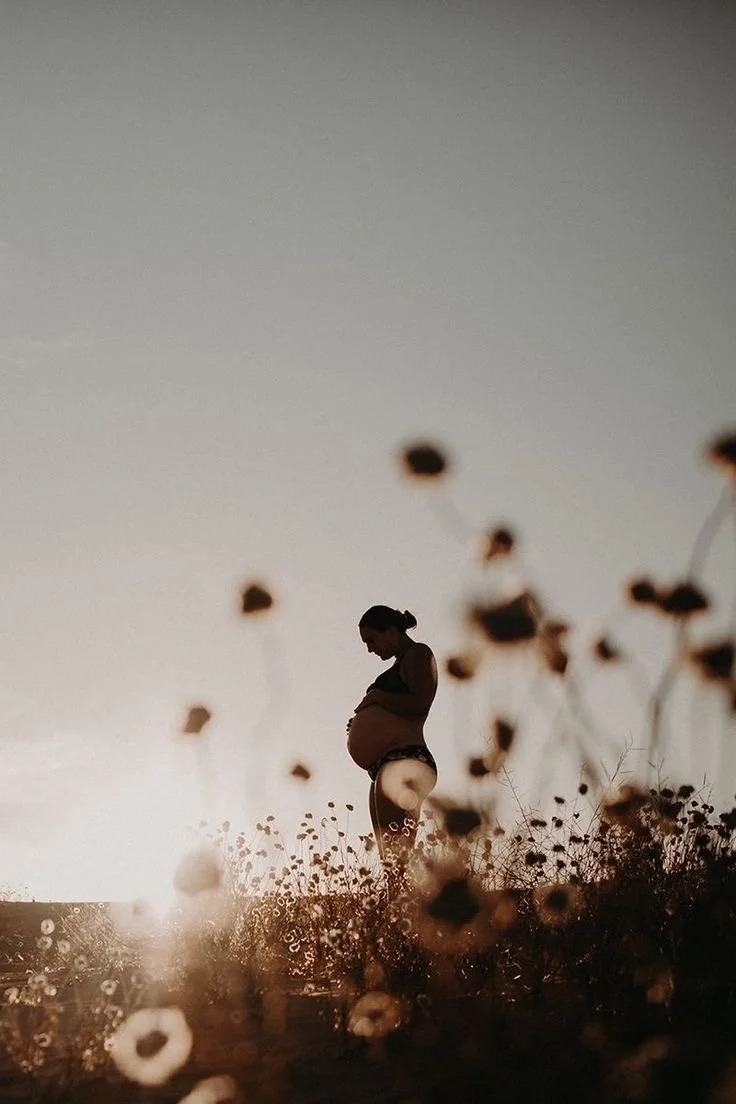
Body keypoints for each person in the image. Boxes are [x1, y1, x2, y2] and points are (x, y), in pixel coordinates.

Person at [347, 605, 438, 885]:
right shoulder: (399, 664)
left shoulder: (418, 654)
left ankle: (400, 919)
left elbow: (418, 703)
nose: (370, 649)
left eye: (371, 640)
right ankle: (394, 917)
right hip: (384, 765)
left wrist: (376, 699)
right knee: (390, 859)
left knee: (397, 858)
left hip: (405, 759)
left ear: (389, 631)